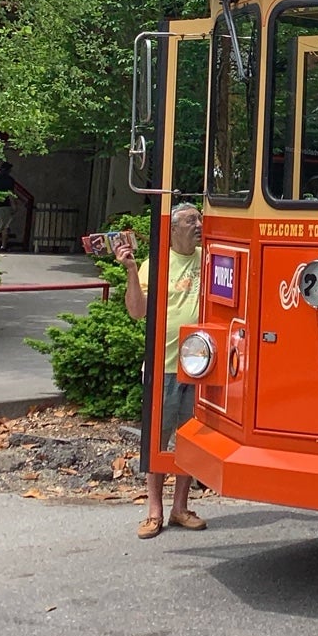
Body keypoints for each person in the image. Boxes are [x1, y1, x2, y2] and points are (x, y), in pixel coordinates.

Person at [120, 200, 207, 539]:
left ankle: (180, 508)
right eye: (189, 221)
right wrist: (129, 271)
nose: (198, 225)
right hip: (164, 366)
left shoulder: (210, 258)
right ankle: (154, 511)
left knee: (191, 440)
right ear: (172, 229)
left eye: (199, 219)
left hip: (199, 367)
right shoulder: (154, 264)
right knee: (157, 439)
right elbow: (136, 311)